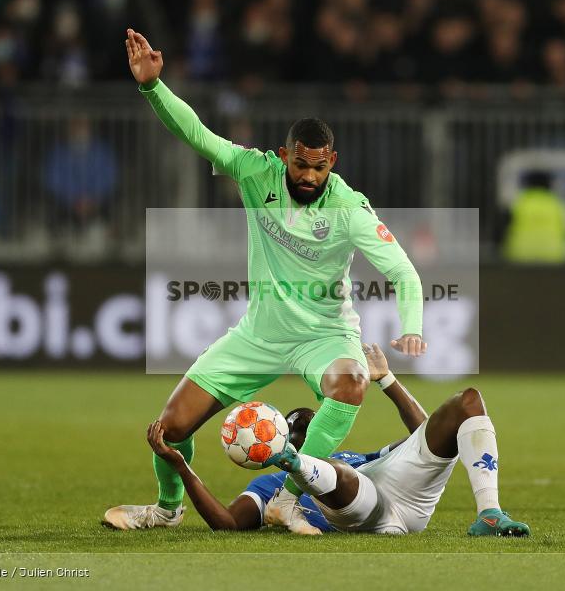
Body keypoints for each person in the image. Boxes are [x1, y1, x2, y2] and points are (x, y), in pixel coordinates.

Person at [104, 29, 426, 534]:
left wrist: (413, 324)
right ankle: (166, 510)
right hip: (260, 333)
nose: (308, 176)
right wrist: (152, 87)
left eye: (318, 167)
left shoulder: (350, 206)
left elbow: (401, 269)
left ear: (331, 164)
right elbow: (199, 135)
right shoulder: (257, 173)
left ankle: (287, 498)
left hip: (324, 335)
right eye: (300, 163)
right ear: (284, 155)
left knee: (350, 383)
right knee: (171, 427)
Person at [143, 343, 530, 537]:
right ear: (281, 442)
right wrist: (182, 466)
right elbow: (227, 523)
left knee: (467, 402)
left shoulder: (350, 454)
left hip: (404, 496)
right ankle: (302, 470)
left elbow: (423, 439)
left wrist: (388, 381)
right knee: (339, 474)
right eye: (307, 429)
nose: (317, 428)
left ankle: (489, 513)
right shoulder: (266, 487)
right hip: (360, 510)